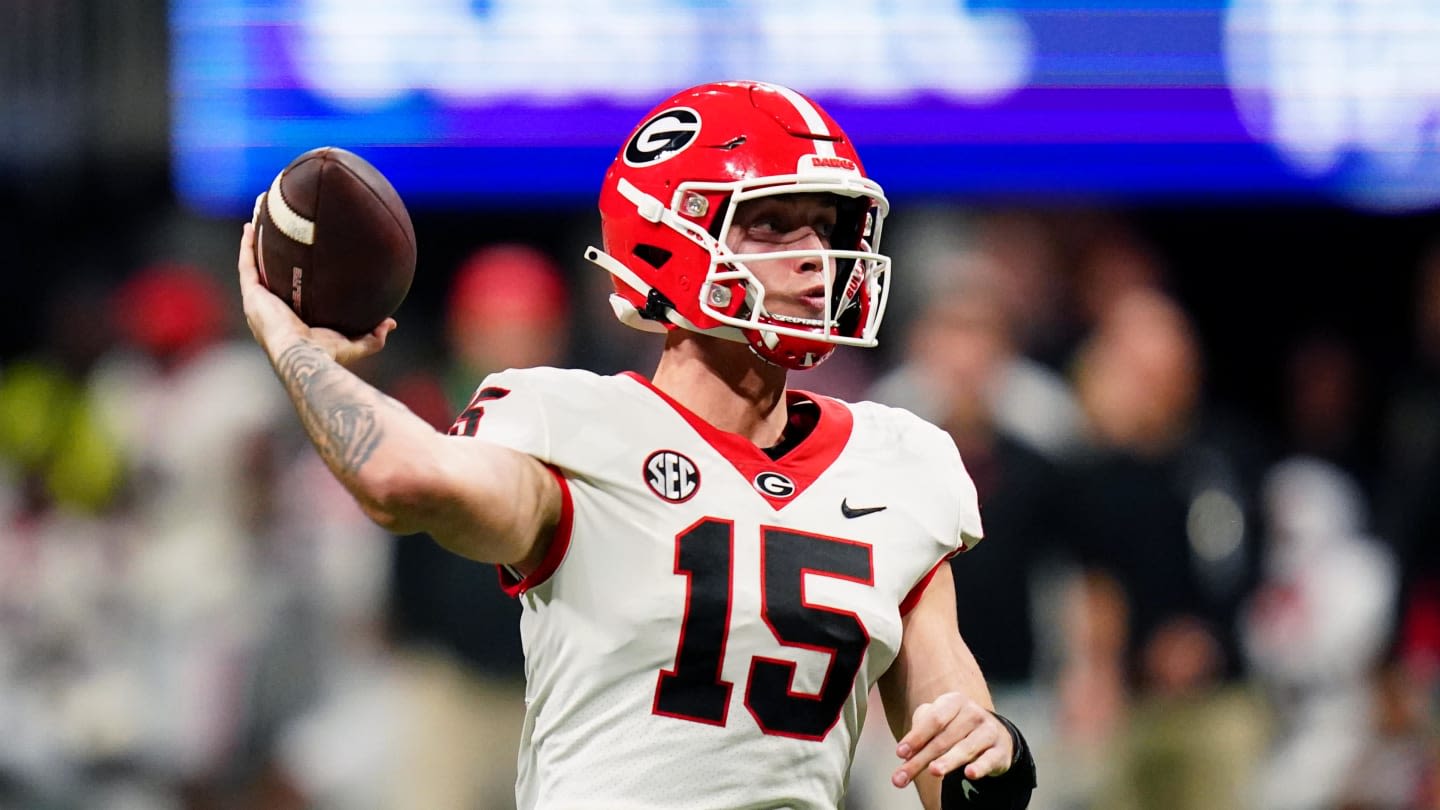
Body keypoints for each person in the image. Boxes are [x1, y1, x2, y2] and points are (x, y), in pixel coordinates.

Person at [235, 80, 1036, 810]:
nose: (815, 258)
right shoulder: (569, 424)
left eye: (825, 228)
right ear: (669, 237)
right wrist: (293, 347)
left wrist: (998, 759)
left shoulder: (900, 459)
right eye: (771, 223)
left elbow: (957, 773)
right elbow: (396, 478)